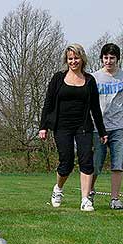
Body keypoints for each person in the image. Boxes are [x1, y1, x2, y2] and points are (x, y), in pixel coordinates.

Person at [39, 43, 108, 211]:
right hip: (62, 127)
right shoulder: (58, 78)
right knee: (66, 163)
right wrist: (43, 127)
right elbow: (48, 104)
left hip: (83, 126)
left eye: (76, 58)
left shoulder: (89, 80)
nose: (73, 61)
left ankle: (85, 200)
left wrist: (102, 130)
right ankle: (58, 189)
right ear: (66, 60)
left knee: (86, 161)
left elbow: (95, 108)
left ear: (82, 59)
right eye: (70, 58)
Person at [90, 43, 123, 209]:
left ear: (117, 59)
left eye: (112, 58)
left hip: (119, 127)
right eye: (106, 58)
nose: (109, 61)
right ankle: (89, 192)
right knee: (96, 164)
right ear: (102, 59)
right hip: (98, 127)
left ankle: (115, 199)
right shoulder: (93, 78)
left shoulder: (122, 77)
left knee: (118, 164)